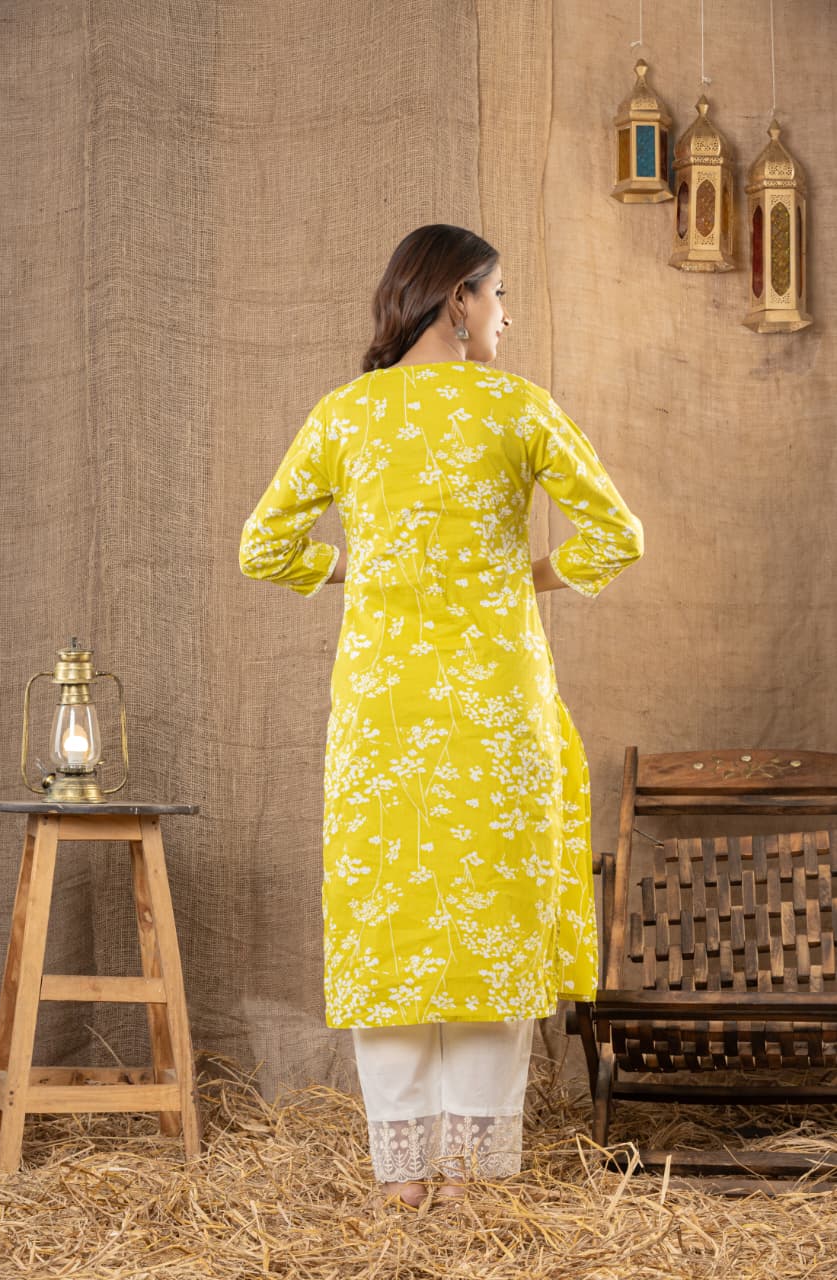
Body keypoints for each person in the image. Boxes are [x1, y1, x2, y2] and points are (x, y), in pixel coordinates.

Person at [239, 224, 643, 1207]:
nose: (506, 316)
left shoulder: (345, 414)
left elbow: (264, 546)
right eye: (498, 295)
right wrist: (525, 575)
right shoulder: (519, 407)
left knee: (391, 928)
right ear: (457, 298)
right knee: (490, 930)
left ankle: (403, 1179)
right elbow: (615, 536)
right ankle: (472, 1175)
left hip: (382, 717)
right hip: (496, 711)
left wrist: (362, 566)